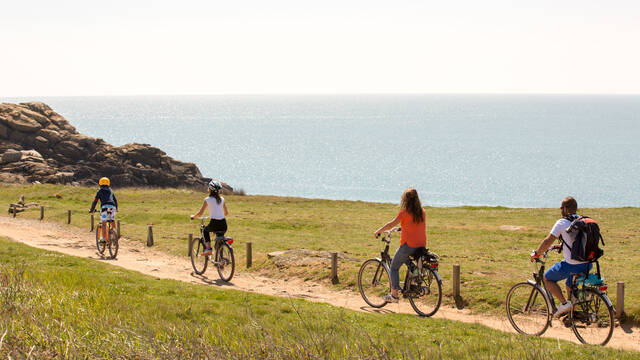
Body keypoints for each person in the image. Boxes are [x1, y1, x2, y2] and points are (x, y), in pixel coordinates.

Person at [530, 196, 592, 317]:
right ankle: (572, 315)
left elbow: (547, 241)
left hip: (572, 265)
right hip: (587, 263)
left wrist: (537, 253)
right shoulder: (582, 220)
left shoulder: (562, 222)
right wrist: (562, 245)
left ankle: (564, 303)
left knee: (548, 278)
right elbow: (578, 241)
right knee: (570, 285)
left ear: (565, 209)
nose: (560, 210)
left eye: (561, 207)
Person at [373, 188, 427, 303]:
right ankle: (414, 272)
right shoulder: (422, 212)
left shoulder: (404, 213)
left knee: (394, 267)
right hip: (421, 245)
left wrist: (379, 231)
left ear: (405, 200)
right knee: (404, 256)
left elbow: (390, 225)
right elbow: (415, 226)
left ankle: (394, 295)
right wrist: (401, 228)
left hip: (409, 246)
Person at [191, 180, 229, 256]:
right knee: (219, 240)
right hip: (224, 224)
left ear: (210, 189)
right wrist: (219, 214)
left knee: (205, 231)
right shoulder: (222, 199)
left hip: (214, 223)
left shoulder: (207, 199)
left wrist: (193, 216)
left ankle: (208, 249)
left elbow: (200, 213)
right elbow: (226, 213)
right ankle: (220, 261)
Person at [89, 177, 118, 244]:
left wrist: (92, 209)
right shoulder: (111, 190)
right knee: (112, 221)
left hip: (104, 207)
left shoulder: (99, 191)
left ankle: (104, 238)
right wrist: (116, 208)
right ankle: (114, 235)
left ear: (100, 184)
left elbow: (95, 201)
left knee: (104, 222)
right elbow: (115, 200)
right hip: (113, 207)